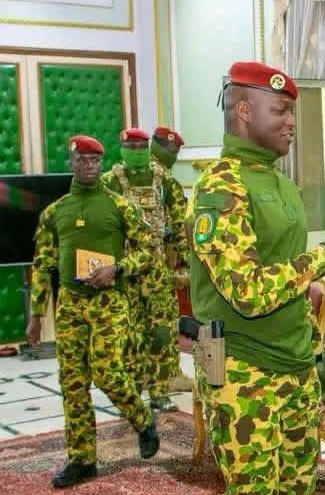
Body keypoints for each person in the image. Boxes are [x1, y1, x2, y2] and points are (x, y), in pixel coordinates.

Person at [184, 61, 325, 495]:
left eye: (292, 113)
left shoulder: (283, 185)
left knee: (299, 485)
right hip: (241, 367)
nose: (291, 123)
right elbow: (248, 293)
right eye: (280, 111)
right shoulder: (220, 187)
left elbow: (293, 287)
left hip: (294, 364)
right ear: (245, 111)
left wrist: (315, 358)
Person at [26, 135, 160, 488]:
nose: (88, 166)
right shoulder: (55, 212)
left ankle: (142, 418)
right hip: (70, 305)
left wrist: (118, 268)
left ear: (101, 163)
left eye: (94, 160)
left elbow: (148, 250)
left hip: (108, 303)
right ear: (70, 163)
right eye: (82, 160)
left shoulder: (119, 206)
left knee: (106, 372)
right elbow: (42, 264)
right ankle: (82, 460)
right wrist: (36, 315)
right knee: (72, 383)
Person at [102, 128, 189, 411]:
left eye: (141, 147)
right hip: (124, 274)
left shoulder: (164, 180)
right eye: (131, 148)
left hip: (157, 273)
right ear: (122, 149)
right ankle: (132, 395)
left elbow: (179, 224)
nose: (137, 153)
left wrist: (187, 263)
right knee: (130, 337)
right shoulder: (109, 183)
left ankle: (160, 392)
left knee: (161, 334)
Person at [150, 126, 194, 390]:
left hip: (131, 268)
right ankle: (169, 376)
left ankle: (143, 375)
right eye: (174, 151)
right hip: (162, 268)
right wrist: (189, 264)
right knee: (165, 321)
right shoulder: (166, 181)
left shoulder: (124, 177)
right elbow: (180, 226)